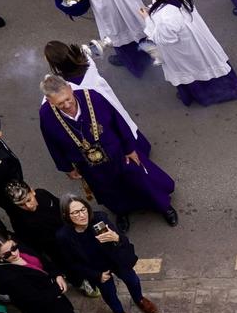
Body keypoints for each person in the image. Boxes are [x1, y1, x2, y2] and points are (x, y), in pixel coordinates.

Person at [37, 78, 177, 227]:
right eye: (60, 104)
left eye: (67, 99)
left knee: (140, 179)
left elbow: (119, 122)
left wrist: (129, 148)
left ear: (70, 89)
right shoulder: (46, 115)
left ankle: (163, 205)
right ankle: (121, 211)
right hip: (87, 164)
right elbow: (51, 143)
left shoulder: (93, 97)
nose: (66, 105)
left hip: (117, 153)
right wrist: (67, 168)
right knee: (107, 190)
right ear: (49, 101)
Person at [141, 0, 237, 108]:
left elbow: (165, 39)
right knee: (205, 63)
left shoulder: (168, 15)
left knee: (192, 70)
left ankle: (206, 94)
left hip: (183, 48)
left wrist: (147, 19)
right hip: (194, 38)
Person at [57, 195, 154, 313]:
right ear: (66, 215)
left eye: (83, 209)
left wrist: (117, 238)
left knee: (133, 280)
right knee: (109, 293)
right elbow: (72, 263)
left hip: (115, 260)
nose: (82, 215)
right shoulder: (65, 236)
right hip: (97, 269)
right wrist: (96, 275)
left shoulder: (99, 219)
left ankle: (139, 299)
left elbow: (123, 241)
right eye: (75, 212)